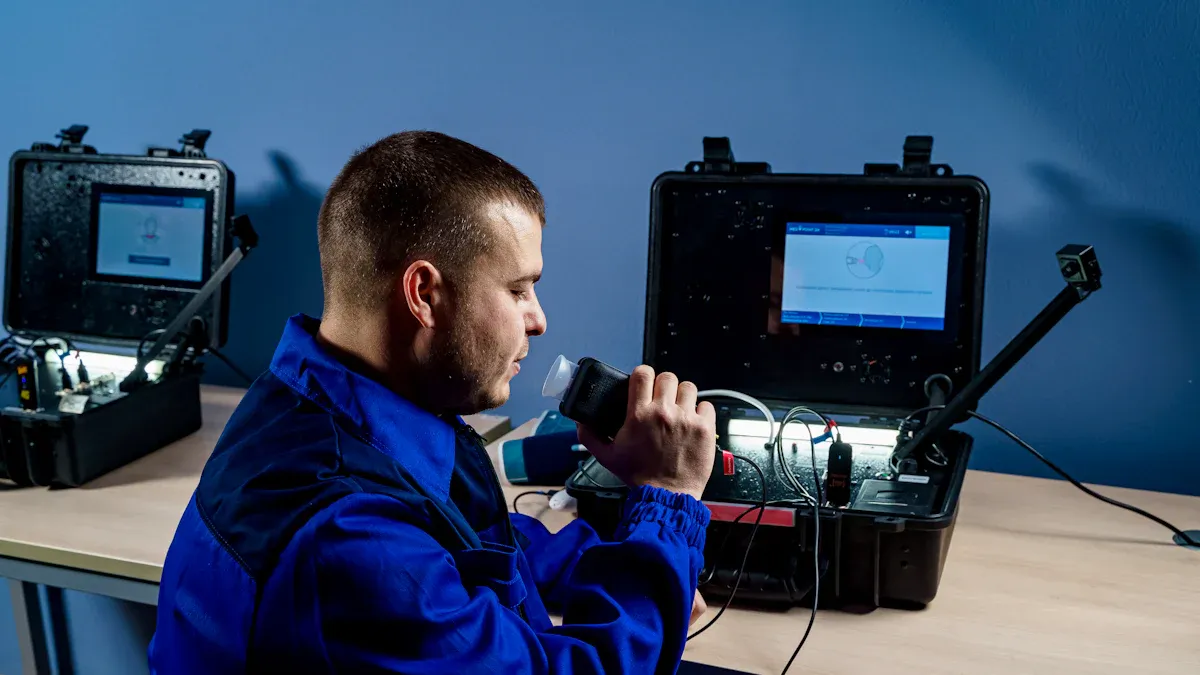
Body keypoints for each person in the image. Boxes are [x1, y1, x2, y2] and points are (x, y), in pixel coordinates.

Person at [148, 130, 718, 673]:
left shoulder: (307, 399)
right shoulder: (352, 542)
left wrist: (634, 561)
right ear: (424, 294)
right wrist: (667, 498)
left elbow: (468, 540)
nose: (538, 320)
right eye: (518, 289)